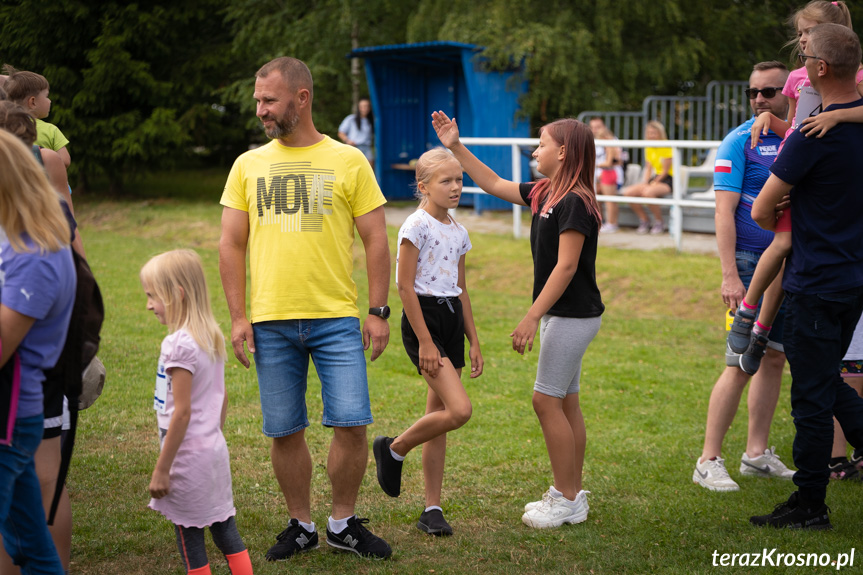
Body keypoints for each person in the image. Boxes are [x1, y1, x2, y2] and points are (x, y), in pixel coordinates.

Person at [219, 57, 392, 560]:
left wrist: (378, 310)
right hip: (270, 320)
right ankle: (301, 524)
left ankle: (342, 522)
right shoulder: (247, 165)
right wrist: (237, 317)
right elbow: (231, 244)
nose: (260, 110)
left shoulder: (349, 160)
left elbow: (376, 238)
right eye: (258, 101)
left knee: (351, 421)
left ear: (302, 98)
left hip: (336, 318)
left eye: (269, 100)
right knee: (284, 428)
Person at [432, 111, 604, 529]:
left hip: (572, 315)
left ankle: (564, 498)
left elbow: (565, 268)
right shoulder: (545, 191)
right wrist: (455, 145)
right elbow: (491, 183)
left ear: (562, 152)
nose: (535, 150)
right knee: (566, 402)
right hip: (564, 315)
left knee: (545, 400)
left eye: (541, 143)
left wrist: (531, 317)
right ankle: (573, 495)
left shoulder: (575, 202)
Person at [749, 23, 863, 530]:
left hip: (814, 280)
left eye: (804, 54)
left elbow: (760, 212)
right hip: (854, 279)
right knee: (823, 379)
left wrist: (787, 202)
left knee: (812, 399)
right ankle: (810, 498)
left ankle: (810, 505)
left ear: (819, 69)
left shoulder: (812, 132)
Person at [729, 0, 862, 376]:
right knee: (782, 246)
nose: (800, 41)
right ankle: (750, 316)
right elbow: (796, 129)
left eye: (807, 34)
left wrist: (835, 115)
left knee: (787, 248)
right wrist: (771, 118)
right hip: (795, 167)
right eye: (800, 34)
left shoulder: (852, 74)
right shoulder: (795, 79)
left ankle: (759, 328)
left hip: (815, 177)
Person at [691, 61, 796, 493]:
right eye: (754, 92)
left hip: (789, 263)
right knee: (740, 362)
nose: (759, 100)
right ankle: (708, 460)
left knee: (774, 357)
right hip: (752, 264)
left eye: (769, 92)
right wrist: (730, 273)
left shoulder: (800, 136)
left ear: (789, 93)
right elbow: (723, 211)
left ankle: (756, 454)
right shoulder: (738, 140)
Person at [372, 148, 482, 537]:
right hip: (425, 321)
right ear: (423, 186)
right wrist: (425, 341)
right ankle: (394, 448)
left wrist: (473, 340)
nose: (456, 187)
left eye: (459, 180)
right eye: (446, 181)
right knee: (460, 409)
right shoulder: (414, 226)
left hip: (451, 320)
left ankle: (431, 509)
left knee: (441, 419)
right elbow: (404, 286)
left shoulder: (459, 230)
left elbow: (461, 288)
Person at [0, 101, 83, 575]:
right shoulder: (15, 235)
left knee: (32, 531)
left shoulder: (34, 250)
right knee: (32, 546)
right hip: (15, 411)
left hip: (11, 414)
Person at [141, 250, 254, 575]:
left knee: (190, 538)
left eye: (152, 296)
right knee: (225, 530)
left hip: (186, 458)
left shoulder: (177, 345)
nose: (148, 305)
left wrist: (163, 469)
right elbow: (223, 397)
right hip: (213, 452)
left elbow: (181, 413)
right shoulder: (210, 336)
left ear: (176, 294)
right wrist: (213, 435)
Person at [1, 66, 70, 168]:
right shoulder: (51, 130)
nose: (49, 101)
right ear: (32, 102)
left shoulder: (5, 127)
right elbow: (65, 160)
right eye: (46, 96)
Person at [621, 120, 672, 235]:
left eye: (654, 133)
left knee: (648, 193)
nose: (651, 136)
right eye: (649, 133)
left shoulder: (667, 146)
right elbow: (648, 168)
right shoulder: (649, 147)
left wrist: (652, 183)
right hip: (654, 178)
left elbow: (665, 171)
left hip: (667, 180)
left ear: (660, 133)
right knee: (628, 192)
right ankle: (645, 220)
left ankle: (659, 222)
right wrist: (645, 182)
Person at [594, 127, 624, 234]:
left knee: (609, 201)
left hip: (608, 173)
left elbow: (609, 163)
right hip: (609, 173)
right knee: (610, 200)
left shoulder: (610, 146)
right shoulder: (612, 146)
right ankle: (611, 223)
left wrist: (596, 164)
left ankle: (611, 223)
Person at [338, 97, 374, 164]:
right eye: (362, 106)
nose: (364, 108)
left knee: (369, 169)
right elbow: (341, 133)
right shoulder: (351, 119)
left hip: (367, 148)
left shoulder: (372, 121)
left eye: (366, 106)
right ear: (359, 108)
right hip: (354, 147)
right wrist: (347, 140)